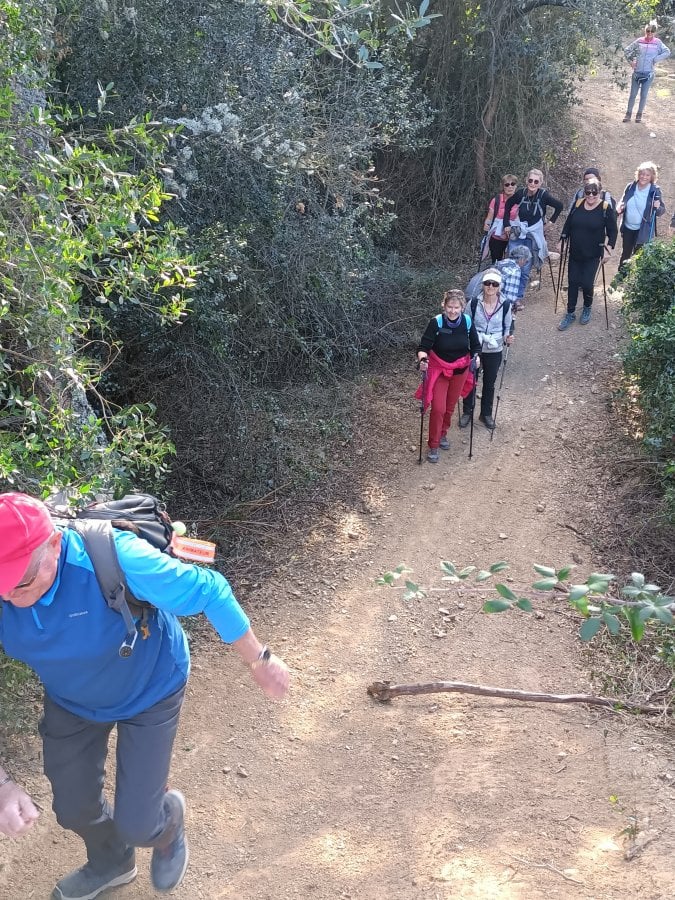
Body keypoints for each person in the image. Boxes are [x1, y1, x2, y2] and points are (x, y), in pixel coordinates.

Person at [0, 493, 290, 900]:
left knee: (139, 825)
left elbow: (211, 590)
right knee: (72, 808)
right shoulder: (7, 590)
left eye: (21, 581)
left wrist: (260, 660)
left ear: (54, 543)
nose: (8, 596)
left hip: (151, 686)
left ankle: (166, 825)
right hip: (72, 699)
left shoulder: (118, 558)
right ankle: (112, 862)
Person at [416, 290, 480, 463]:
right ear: (444, 306)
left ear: (462, 307)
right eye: (449, 307)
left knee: (450, 407)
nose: (452, 311)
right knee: (439, 408)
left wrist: (476, 357)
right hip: (440, 370)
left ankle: (442, 434)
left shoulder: (467, 322)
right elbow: (423, 347)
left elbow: (475, 345)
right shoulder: (436, 322)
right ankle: (434, 444)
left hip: (460, 371)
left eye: (456, 307)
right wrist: (423, 359)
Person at [557, 177, 618, 330]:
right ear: (584, 192)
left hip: (593, 253)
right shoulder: (578, 204)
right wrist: (562, 239)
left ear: (600, 192)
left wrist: (608, 249)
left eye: (594, 192)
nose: (591, 195)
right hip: (575, 252)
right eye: (587, 192)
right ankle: (570, 312)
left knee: (586, 283)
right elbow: (568, 224)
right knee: (572, 282)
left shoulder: (605, 208)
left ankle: (587, 307)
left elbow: (613, 231)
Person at [458, 269, 514, 430]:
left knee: (490, 382)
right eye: (488, 283)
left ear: (499, 286)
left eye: (494, 284)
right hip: (475, 346)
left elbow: (507, 326)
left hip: (494, 348)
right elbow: (466, 323)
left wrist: (508, 337)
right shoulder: (474, 303)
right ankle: (467, 411)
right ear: (483, 284)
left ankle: (486, 414)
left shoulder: (505, 304)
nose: (490, 286)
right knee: (471, 379)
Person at [503, 169, 563, 302]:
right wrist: (506, 224)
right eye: (530, 180)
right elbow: (508, 205)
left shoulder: (544, 195)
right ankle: (508, 295)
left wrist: (550, 223)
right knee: (512, 264)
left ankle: (517, 298)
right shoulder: (521, 193)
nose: (533, 183)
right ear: (526, 180)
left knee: (525, 267)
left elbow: (559, 206)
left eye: (536, 181)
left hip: (534, 235)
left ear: (540, 183)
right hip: (519, 232)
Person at [617, 161, 665, 267]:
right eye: (642, 174)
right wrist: (620, 207)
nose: (644, 177)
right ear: (638, 174)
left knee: (639, 257)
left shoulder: (654, 191)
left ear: (652, 177)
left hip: (644, 230)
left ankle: (634, 277)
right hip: (628, 227)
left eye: (647, 175)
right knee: (625, 254)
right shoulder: (630, 187)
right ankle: (621, 275)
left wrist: (657, 207)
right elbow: (623, 201)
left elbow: (661, 211)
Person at [623, 21, 671, 124]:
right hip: (637, 73)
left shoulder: (657, 42)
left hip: (649, 74)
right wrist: (631, 62)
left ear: (655, 32)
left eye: (652, 31)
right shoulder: (639, 41)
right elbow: (627, 50)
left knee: (643, 95)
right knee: (633, 95)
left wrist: (656, 59)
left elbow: (667, 51)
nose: (650, 33)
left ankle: (639, 115)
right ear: (645, 31)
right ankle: (628, 114)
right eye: (648, 31)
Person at [482, 174, 519, 263]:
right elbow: (490, 216)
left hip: (512, 237)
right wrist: (486, 225)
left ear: (516, 186)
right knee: (496, 262)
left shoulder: (519, 200)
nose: (510, 187)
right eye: (507, 184)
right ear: (503, 187)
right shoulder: (496, 200)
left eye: (513, 184)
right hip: (496, 236)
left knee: (511, 263)